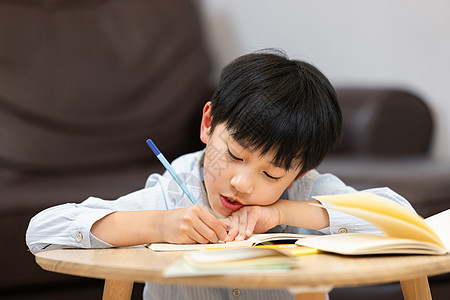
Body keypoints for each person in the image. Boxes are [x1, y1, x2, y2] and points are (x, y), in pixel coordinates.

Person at [26, 49, 415, 300]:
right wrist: (157, 226)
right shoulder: (172, 197)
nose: (242, 184)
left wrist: (283, 213)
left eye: (272, 174)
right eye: (233, 155)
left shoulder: (304, 191)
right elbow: (42, 232)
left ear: (301, 171)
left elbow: (404, 220)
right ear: (208, 123)